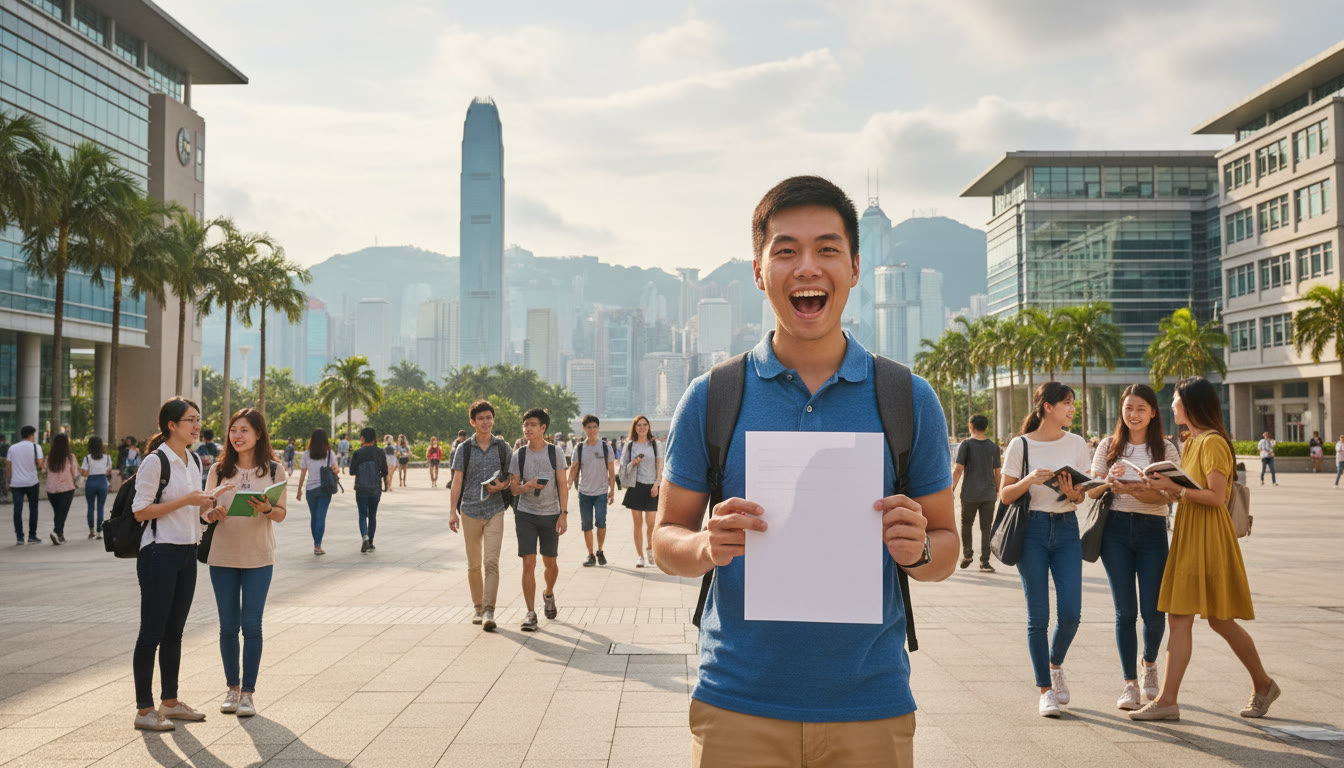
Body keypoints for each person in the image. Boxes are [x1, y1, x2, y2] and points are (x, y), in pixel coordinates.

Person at [653, 176, 956, 766]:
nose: (807, 267)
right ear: (760, 272)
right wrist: (705, 546)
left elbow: (946, 544)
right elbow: (667, 539)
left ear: (856, 266)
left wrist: (917, 549)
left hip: (870, 705)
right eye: (786, 250)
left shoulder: (907, 397)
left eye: (827, 249)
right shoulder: (714, 396)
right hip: (737, 703)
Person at [1130, 377, 1279, 721]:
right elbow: (1187, 490)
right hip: (1190, 531)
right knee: (1185, 617)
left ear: (1192, 404)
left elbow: (1215, 497)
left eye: (1176, 400)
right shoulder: (1192, 442)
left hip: (1209, 536)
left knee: (1219, 620)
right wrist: (1156, 488)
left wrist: (1175, 490)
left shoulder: (1212, 443)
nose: (1171, 406)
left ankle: (1261, 684)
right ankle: (1171, 700)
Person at [999, 382, 1091, 718]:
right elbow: (1006, 495)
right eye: (1067, 403)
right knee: (1038, 616)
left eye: (1073, 404)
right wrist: (1030, 480)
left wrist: (1074, 492)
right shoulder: (1020, 445)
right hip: (1032, 531)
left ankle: (1055, 664)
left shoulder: (1077, 443)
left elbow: (1083, 494)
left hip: (1066, 528)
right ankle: (1045, 690)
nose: (1072, 409)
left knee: (1070, 614)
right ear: (1047, 407)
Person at [1085, 384, 1179, 711]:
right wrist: (1108, 481)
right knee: (1125, 612)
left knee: (1154, 613)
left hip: (1153, 531)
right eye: (1128, 409)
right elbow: (1091, 490)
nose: (1133, 415)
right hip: (1115, 532)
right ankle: (1129, 683)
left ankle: (1149, 663)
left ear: (1153, 412)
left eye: (1141, 409)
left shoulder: (1166, 449)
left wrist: (1139, 490)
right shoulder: (1109, 446)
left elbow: (1172, 496)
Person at [131, 397, 217, 731]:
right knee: (151, 632)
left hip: (186, 552)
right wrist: (188, 500)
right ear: (172, 425)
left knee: (174, 632)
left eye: (198, 418)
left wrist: (209, 512)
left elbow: (192, 509)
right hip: (158, 553)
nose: (197, 425)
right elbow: (141, 511)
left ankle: (169, 702)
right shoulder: (156, 461)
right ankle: (143, 710)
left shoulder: (193, 459)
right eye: (190, 419)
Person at [204, 408, 287, 719]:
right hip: (222, 556)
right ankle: (232, 689)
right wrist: (212, 513)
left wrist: (266, 508)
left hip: (258, 557)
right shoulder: (218, 470)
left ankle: (248, 694)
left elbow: (281, 514)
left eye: (244, 430)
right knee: (228, 626)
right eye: (233, 430)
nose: (236, 436)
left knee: (252, 626)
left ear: (258, 435)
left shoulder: (275, 471)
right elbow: (204, 510)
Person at [449, 401, 513, 631]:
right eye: (481, 418)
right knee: (474, 564)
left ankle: (489, 610)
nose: (486, 422)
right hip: (470, 510)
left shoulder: (502, 447)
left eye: (489, 417)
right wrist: (452, 512)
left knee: (491, 561)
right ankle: (477, 607)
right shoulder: (464, 449)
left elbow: (510, 478)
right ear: (472, 422)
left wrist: (501, 486)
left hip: (495, 509)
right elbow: (457, 481)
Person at [508, 407, 569, 632]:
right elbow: (513, 489)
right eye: (525, 425)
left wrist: (563, 514)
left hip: (551, 513)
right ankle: (531, 613)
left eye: (533, 425)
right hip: (525, 514)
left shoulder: (556, 452)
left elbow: (563, 484)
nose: (528, 429)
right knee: (528, 562)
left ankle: (549, 594)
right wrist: (528, 486)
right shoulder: (519, 455)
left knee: (550, 563)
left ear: (543, 428)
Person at [951, 414, 1000, 573]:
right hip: (988, 494)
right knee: (987, 528)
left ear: (971, 426)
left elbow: (958, 470)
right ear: (986, 427)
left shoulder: (966, 445)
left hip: (969, 494)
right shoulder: (994, 447)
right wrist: (998, 490)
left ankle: (967, 555)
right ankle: (985, 562)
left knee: (966, 524)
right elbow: (997, 473)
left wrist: (950, 489)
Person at [571, 414, 617, 567]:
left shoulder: (605, 446)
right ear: (584, 429)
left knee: (601, 522)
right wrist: (567, 484)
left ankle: (600, 550)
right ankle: (590, 554)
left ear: (598, 428)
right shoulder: (579, 448)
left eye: (595, 427)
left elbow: (611, 470)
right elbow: (574, 467)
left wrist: (612, 490)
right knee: (586, 525)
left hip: (601, 492)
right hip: (584, 492)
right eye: (589, 427)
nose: (592, 430)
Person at [620, 415, 661, 568]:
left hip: (652, 487)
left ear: (649, 427)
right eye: (639, 425)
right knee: (637, 523)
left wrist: (657, 484)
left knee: (651, 523)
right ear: (635, 427)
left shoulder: (656, 445)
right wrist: (634, 462)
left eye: (645, 424)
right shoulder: (630, 445)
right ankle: (640, 556)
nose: (642, 427)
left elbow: (660, 466)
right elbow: (623, 467)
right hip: (636, 486)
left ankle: (650, 549)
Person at [296, 428, 339, 555]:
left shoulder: (306, 454)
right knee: (321, 517)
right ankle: (318, 545)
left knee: (314, 517)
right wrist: (335, 471)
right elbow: (335, 470)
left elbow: (303, 474)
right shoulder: (330, 454)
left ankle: (316, 543)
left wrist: (299, 490)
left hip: (310, 490)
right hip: (325, 489)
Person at [349, 428, 388, 552]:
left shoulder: (358, 453)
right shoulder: (380, 452)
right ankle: (370, 542)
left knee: (362, 514)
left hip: (361, 488)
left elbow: (351, 471)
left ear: (362, 438)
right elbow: (385, 471)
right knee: (372, 515)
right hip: (375, 488)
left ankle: (364, 537)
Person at [8, 425, 44, 545]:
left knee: (17, 510)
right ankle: (32, 535)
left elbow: (9, 466)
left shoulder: (12, 448)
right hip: (32, 482)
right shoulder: (36, 447)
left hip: (16, 483)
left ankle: (19, 537)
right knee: (33, 508)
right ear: (32, 435)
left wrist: (8, 482)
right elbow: (40, 464)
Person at [44, 433, 78, 545]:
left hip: (51, 489)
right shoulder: (70, 457)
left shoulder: (49, 458)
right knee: (62, 513)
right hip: (66, 488)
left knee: (58, 513)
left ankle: (60, 535)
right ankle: (56, 532)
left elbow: (44, 470)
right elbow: (74, 474)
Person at [81, 436, 113, 539]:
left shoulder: (87, 458)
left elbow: (84, 473)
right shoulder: (107, 457)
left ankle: (91, 531)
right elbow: (109, 470)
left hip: (91, 482)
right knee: (100, 507)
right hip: (102, 482)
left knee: (90, 507)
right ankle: (99, 531)